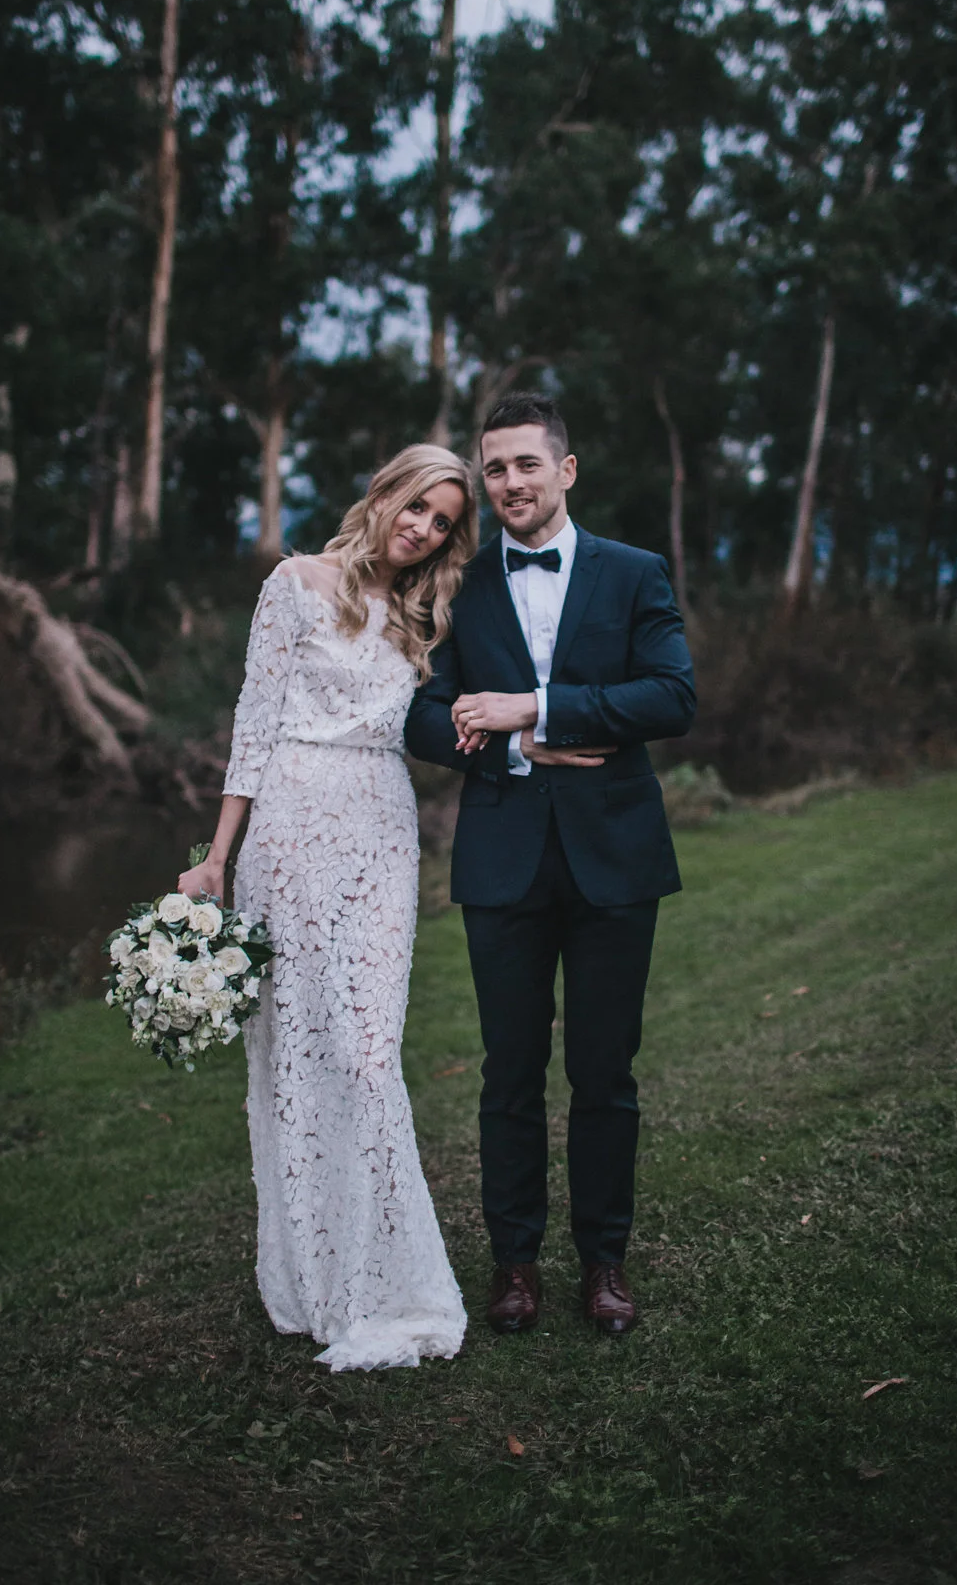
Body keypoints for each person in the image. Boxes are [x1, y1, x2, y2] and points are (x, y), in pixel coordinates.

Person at [177, 445, 476, 1371]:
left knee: (368, 1051)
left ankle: (385, 1282)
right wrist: (216, 858)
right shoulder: (295, 583)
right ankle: (317, 1277)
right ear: (384, 495)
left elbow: (435, 718)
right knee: (301, 1051)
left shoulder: (423, 613)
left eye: (441, 522)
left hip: (382, 828)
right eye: (416, 506)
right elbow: (253, 722)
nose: (423, 529)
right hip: (293, 826)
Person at [405, 395, 695, 1338]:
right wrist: (507, 746)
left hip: (616, 857)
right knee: (509, 1073)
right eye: (494, 469)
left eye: (526, 464)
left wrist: (537, 708)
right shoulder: (457, 583)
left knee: (605, 1073)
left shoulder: (636, 572)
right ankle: (515, 1264)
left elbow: (672, 695)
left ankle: (605, 1263)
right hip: (503, 859)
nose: (510, 482)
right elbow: (423, 715)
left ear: (566, 470)